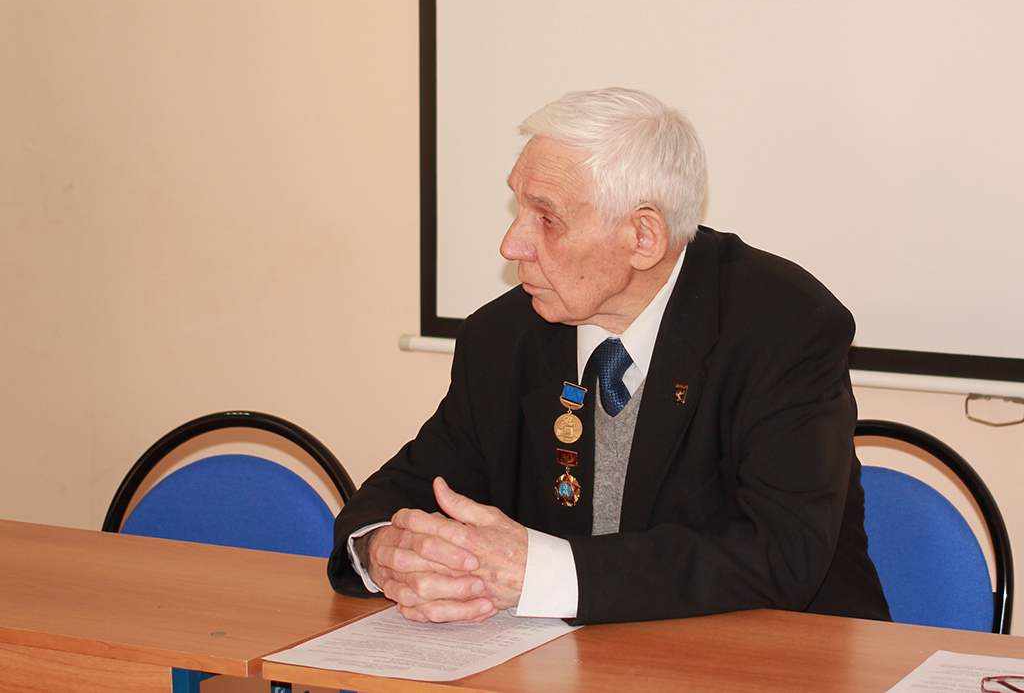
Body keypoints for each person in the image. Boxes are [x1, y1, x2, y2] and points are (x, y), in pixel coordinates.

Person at [327, 87, 891, 626]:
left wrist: (538, 573)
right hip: (572, 661)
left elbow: (780, 556)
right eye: (518, 206)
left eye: (547, 218)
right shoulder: (504, 336)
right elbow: (403, 491)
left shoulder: (784, 329)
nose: (511, 244)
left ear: (644, 237)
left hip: (778, 657)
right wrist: (384, 551)